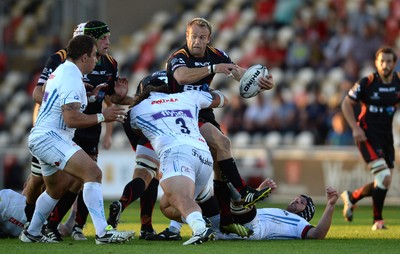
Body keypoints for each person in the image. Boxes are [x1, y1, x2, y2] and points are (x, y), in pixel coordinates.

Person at [24, 20, 139, 242]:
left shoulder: (66, 72)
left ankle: (32, 232)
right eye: (94, 55)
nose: (98, 60)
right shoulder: (70, 74)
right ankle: (103, 233)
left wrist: (94, 96)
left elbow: (66, 104)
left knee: (56, 189)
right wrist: (102, 116)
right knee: (93, 173)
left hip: (47, 135)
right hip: (52, 136)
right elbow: (71, 117)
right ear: (85, 56)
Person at [164, 17, 274, 236]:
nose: (197, 41)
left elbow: (238, 74)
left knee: (219, 166)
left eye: (202, 37)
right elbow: (182, 77)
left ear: (209, 39)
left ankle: (223, 218)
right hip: (180, 114)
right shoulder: (179, 57)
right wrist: (213, 68)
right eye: (193, 36)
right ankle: (244, 192)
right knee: (222, 142)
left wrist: (261, 82)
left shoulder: (217, 54)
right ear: (187, 36)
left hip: (203, 112)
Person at [129, 71, 229, 245]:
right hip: (203, 156)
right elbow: (223, 99)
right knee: (168, 206)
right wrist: (206, 89)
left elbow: (138, 130)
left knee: (180, 200)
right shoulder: (187, 96)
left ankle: (200, 229)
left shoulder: (138, 109)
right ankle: (210, 222)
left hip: (176, 154)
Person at [161, 178, 338, 240]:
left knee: (224, 190)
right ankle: (180, 228)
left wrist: (330, 206)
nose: (295, 201)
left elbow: (317, 235)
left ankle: (239, 195)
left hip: (251, 229)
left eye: (300, 203)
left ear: (305, 213)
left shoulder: (299, 223)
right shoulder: (280, 212)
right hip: (224, 227)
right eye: (296, 198)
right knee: (167, 205)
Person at [341, 46, 400, 230]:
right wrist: (355, 127)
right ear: (376, 63)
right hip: (366, 135)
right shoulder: (368, 82)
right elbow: (346, 103)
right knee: (384, 176)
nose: (385, 65)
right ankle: (377, 221)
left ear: (394, 63)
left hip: (386, 136)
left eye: (389, 61)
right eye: (381, 61)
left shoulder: (398, 83)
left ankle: (352, 197)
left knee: (384, 180)